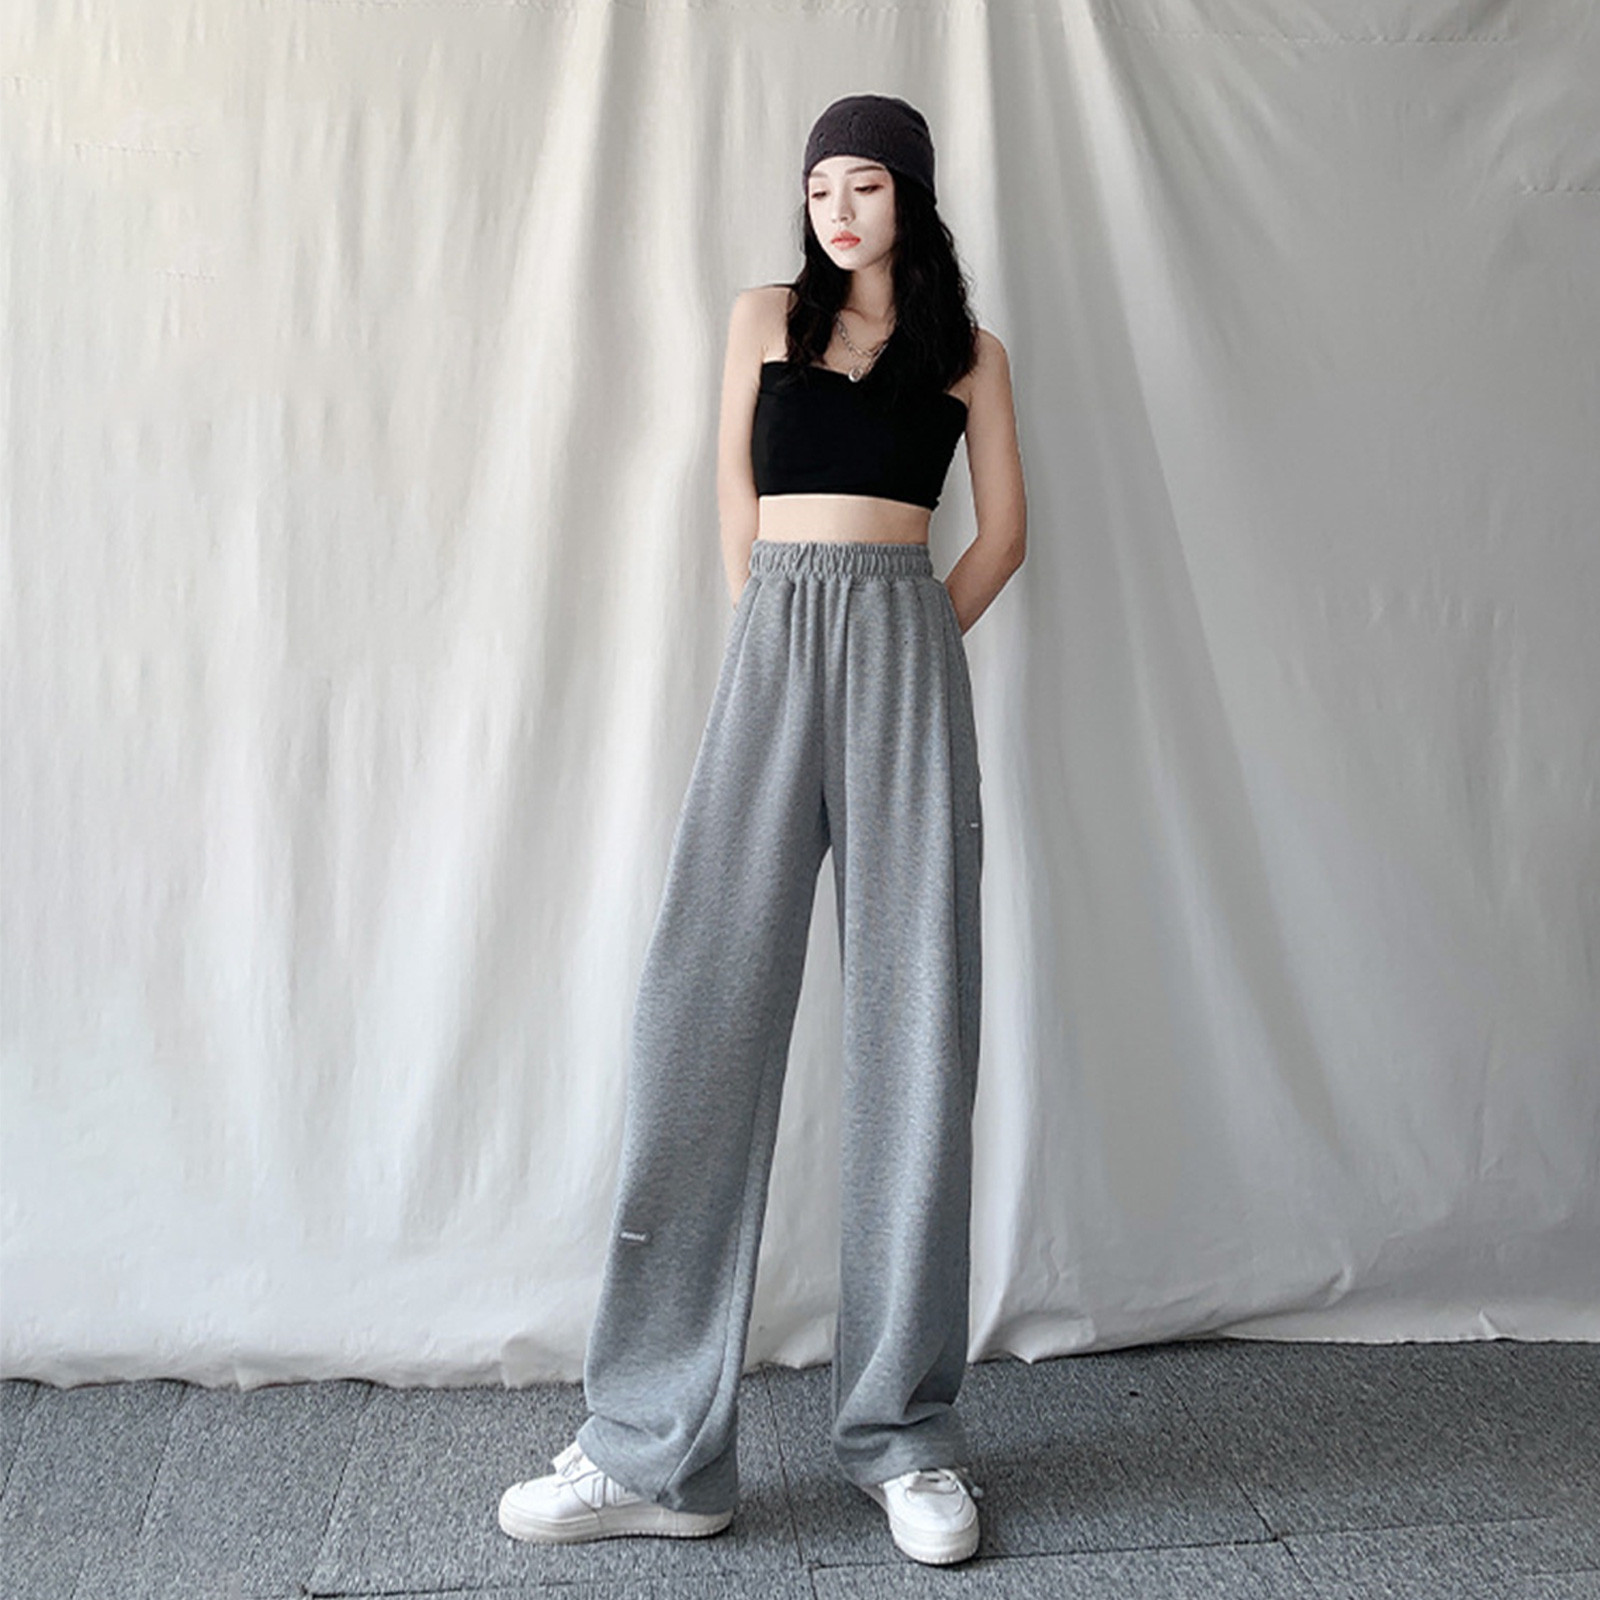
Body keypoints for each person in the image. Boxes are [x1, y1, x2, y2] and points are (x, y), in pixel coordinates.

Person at [498, 92, 1027, 1568]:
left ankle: (906, 1436)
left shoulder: (970, 355)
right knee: (702, 1007)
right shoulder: (762, 320)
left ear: (912, 198)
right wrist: (775, 622)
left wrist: (911, 641)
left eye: (866, 186)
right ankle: (655, 1449)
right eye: (820, 188)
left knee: (918, 1028)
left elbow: (1003, 533)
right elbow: (731, 487)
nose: (837, 211)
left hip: (905, 648)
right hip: (776, 638)